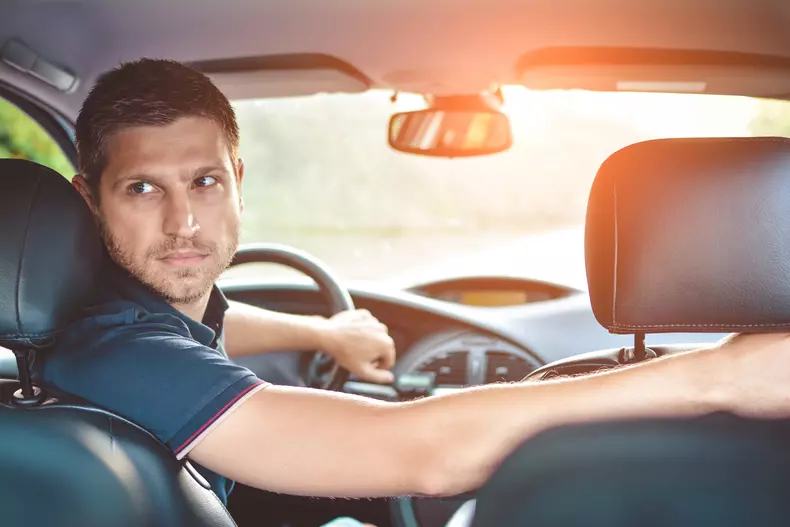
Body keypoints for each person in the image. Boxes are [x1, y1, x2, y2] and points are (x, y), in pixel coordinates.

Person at [34, 58, 790, 519]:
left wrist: (327, 335)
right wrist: (715, 374)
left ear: (239, 186)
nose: (183, 220)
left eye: (204, 181)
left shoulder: (112, 325)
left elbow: (216, 331)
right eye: (142, 188)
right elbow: (417, 449)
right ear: (89, 197)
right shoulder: (114, 352)